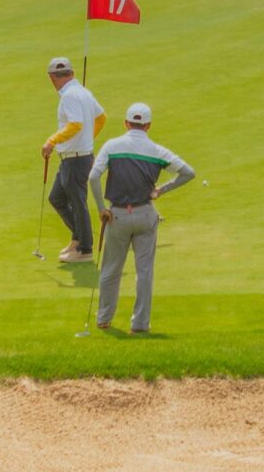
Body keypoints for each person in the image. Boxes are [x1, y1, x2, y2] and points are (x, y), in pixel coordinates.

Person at [85, 101, 197, 334]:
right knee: (144, 272)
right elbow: (188, 173)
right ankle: (140, 324)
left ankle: (104, 318)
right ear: (148, 125)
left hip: (117, 216)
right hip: (145, 214)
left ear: (126, 123)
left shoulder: (112, 146)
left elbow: (93, 177)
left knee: (111, 270)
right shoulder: (158, 151)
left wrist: (101, 208)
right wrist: (161, 190)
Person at [38, 55, 106, 262]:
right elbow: (101, 118)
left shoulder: (69, 96)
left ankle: (85, 250)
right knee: (57, 198)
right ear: (72, 74)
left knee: (77, 203)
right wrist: (87, 139)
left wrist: (51, 141)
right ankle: (78, 237)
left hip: (76, 159)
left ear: (52, 78)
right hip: (74, 158)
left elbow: (75, 124)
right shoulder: (84, 92)